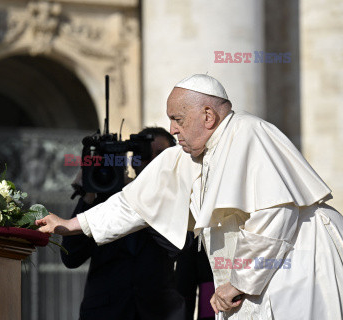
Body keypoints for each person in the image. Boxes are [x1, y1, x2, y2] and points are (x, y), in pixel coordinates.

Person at [37, 74, 343, 319]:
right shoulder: (188, 155)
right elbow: (132, 205)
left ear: (208, 115)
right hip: (261, 272)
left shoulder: (250, 133)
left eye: (178, 119)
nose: (172, 129)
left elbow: (274, 214)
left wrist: (239, 282)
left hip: (302, 259)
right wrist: (70, 224)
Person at [61, 127, 190, 320]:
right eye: (144, 154)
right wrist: (89, 193)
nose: (153, 161)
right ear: (133, 160)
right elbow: (71, 257)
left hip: (159, 312)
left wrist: (137, 199)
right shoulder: (107, 198)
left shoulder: (175, 201)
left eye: (161, 155)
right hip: (105, 313)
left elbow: (179, 245)